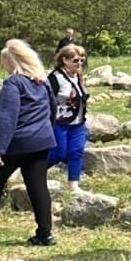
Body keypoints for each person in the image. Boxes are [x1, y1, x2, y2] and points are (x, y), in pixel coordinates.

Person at [0, 39, 58, 246]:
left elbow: (8, 117)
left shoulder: (13, 83)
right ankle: (45, 233)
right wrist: (45, 131)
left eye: (3, 62)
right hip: (41, 142)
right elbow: (53, 108)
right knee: (38, 188)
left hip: (16, 143)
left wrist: (0, 149)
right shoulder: (42, 81)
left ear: (11, 61)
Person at [47, 44, 89, 192]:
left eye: (81, 60)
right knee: (59, 152)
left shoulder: (78, 75)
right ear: (64, 60)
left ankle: (74, 186)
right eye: (75, 60)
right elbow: (47, 99)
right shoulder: (55, 77)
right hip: (60, 121)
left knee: (76, 151)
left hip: (78, 121)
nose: (79, 64)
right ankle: (35, 169)